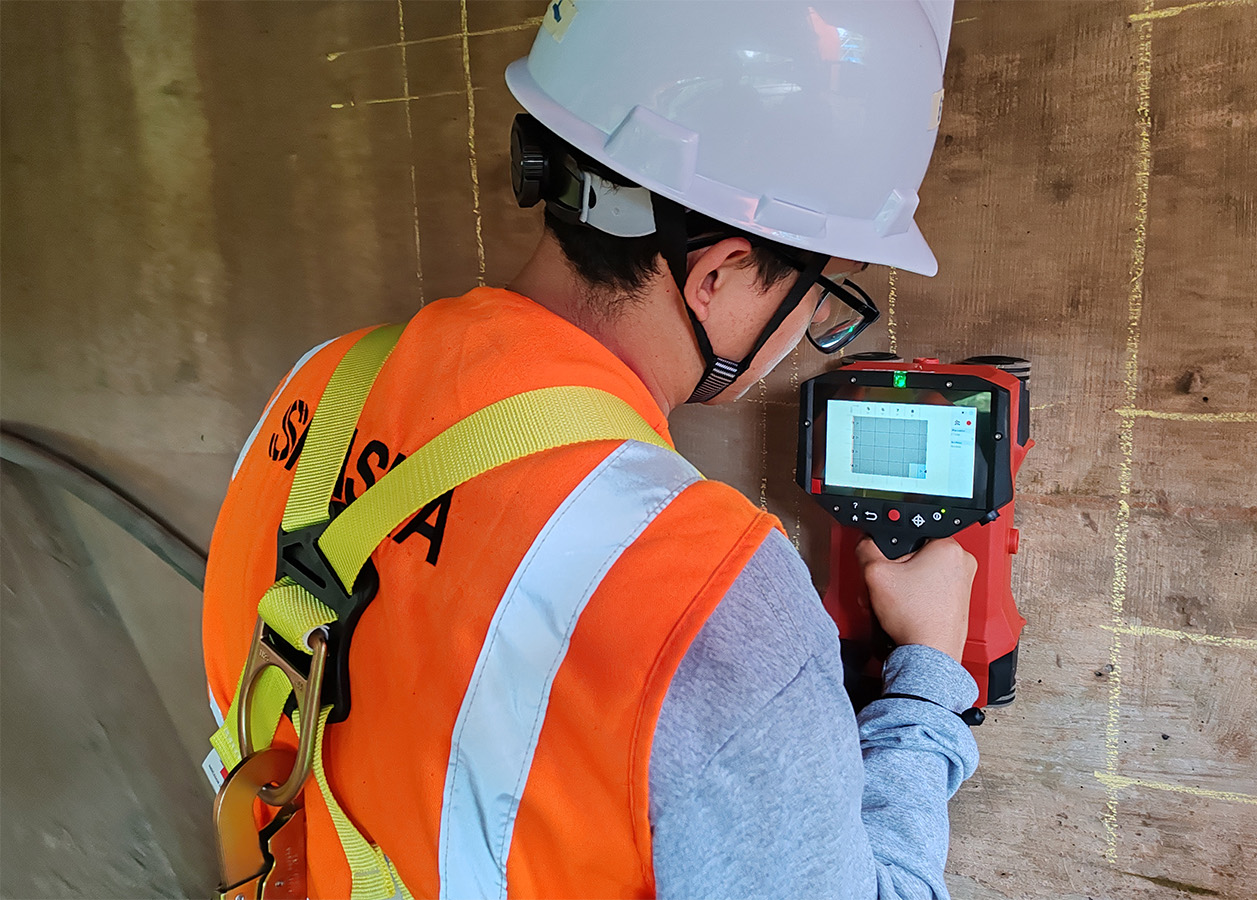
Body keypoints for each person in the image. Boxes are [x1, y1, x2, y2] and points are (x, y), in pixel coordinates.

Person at [202, 2, 980, 898]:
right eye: (820, 292)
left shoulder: (318, 388)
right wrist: (927, 680)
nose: (810, 325)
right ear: (717, 274)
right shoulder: (707, 596)